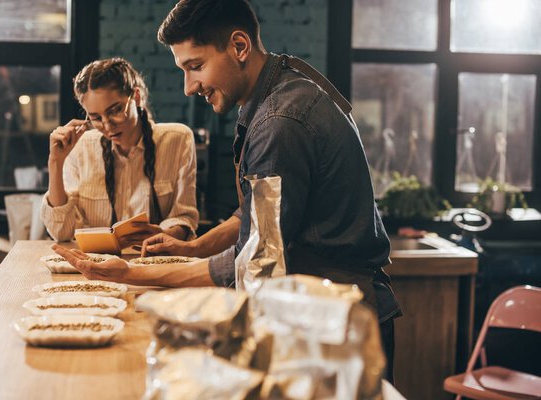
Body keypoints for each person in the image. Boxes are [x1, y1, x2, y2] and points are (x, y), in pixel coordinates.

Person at [53, 0, 400, 381]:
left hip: (337, 329)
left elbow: (258, 262)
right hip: (325, 315)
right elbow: (258, 211)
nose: (188, 88)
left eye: (195, 67)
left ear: (239, 47)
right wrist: (193, 248)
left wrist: (131, 272)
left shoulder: (277, 123)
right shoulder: (280, 88)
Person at [41, 58, 199, 248]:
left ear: (137, 98)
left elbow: (184, 217)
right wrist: (55, 162)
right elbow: (61, 233)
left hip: (153, 263)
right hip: (94, 269)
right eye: (96, 118)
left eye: (115, 110)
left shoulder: (178, 139)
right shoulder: (80, 148)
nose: (107, 126)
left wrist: (163, 234)